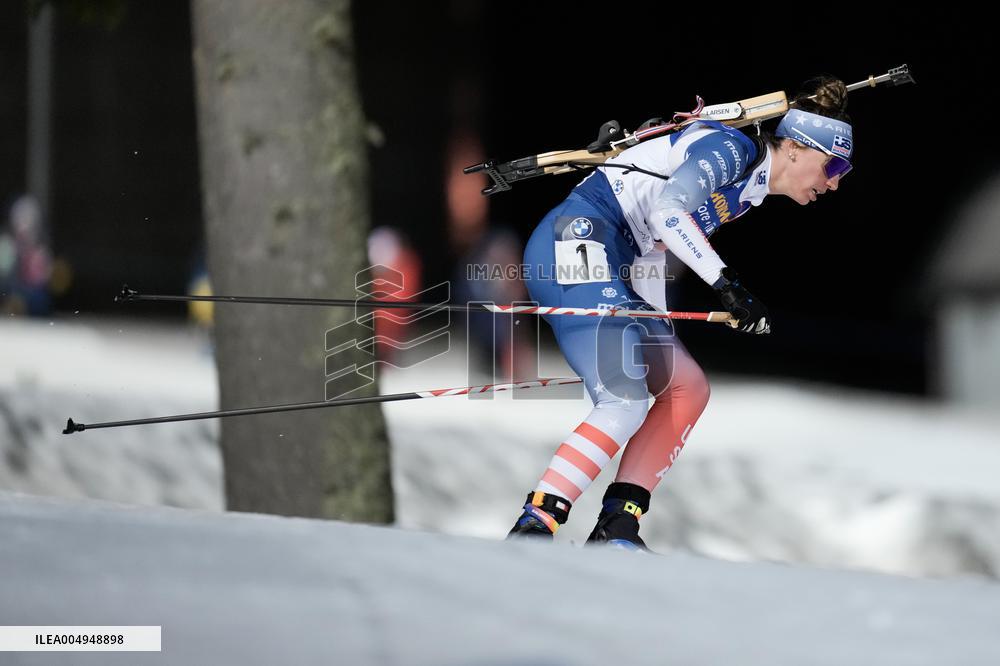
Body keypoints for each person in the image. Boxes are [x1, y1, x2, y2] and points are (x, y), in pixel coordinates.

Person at [507, 76, 853, 550]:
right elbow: (668, 215)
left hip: (616, 259)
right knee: (623, 400)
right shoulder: (732, 150)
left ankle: (618, 525)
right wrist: (727, 285)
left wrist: (656, 326)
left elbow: (654, 246)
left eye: (843, 172)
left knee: (686, 388)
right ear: (793, 148)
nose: (834, 182)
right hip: (577, 238)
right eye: (833, 165)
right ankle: (537, 522)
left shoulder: (747, 189)